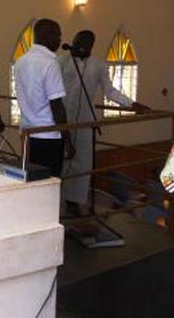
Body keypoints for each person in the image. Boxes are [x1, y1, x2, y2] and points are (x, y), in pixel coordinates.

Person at [59, 30, 151, 212]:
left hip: (86, 122)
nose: (80, 47)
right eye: (78, 43)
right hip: (62, 119)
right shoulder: (61, 61)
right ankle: (57, 202)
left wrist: (131, 104)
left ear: (91, 46)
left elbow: (110, 91)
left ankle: (74, 202)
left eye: (85, 44)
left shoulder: (98, 65)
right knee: (61, 161)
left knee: (83, 163)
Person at [14, 18, 74, 177]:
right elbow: (57, 106)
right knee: (50, 183)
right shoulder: (50, 63)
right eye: (58, 35)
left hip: (27, 134)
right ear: (47, 36)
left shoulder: (20, 61)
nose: (60, 40)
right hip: (49, 135)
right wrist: (67, 140)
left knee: (32, 181)